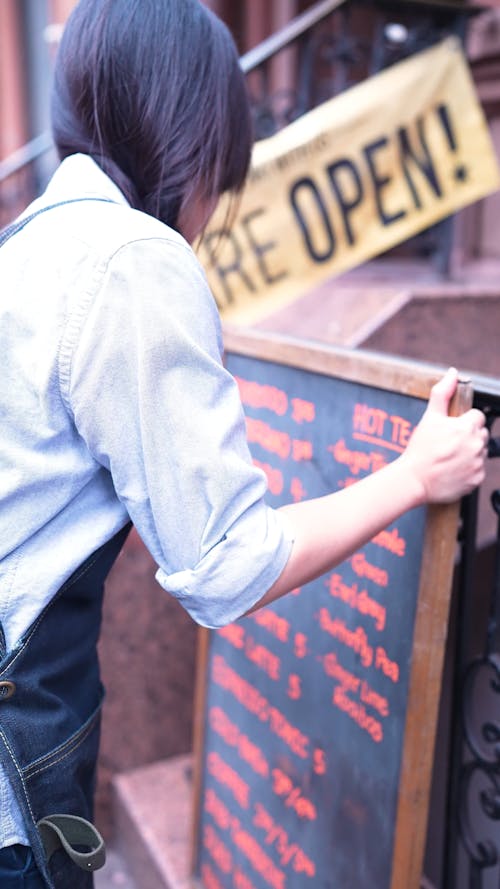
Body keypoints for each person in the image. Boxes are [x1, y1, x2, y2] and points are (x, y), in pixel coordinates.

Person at [0, 0, 488, 887]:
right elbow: (228, 566)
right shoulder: (131, 261)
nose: (213, 204)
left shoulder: (30, 240)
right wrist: (416, 474)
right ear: (191, 130)